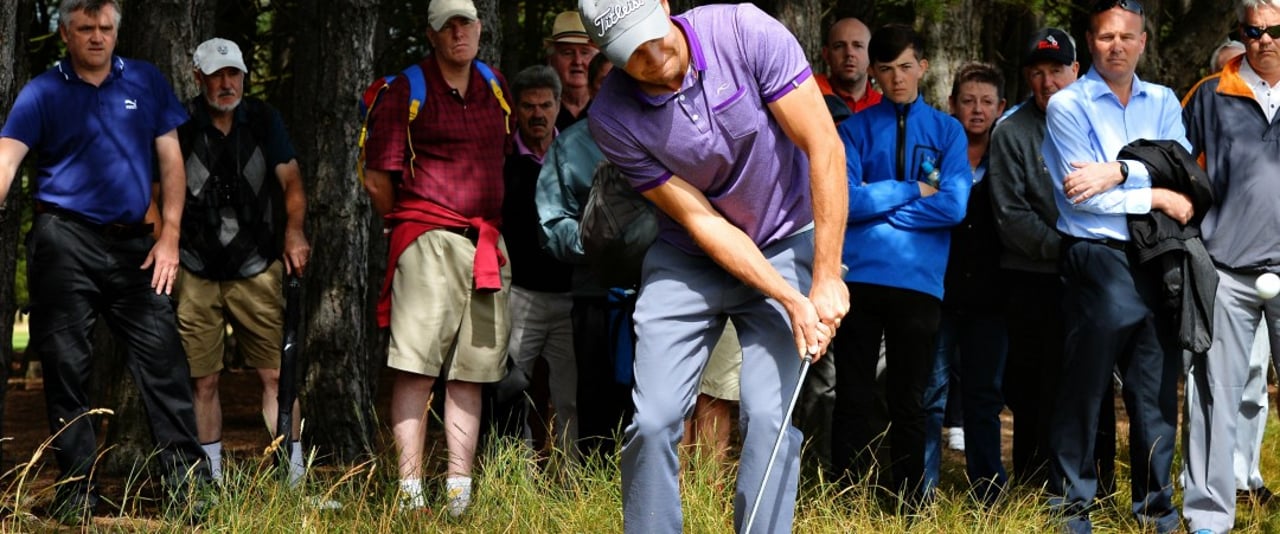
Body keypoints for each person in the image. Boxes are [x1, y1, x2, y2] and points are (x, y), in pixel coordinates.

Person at [578, 1, 849, 531]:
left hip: (785, 235)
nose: (654, 58)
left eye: (654, 35)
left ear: (663, 5)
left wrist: (824, 275)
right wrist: (791, 300)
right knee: (655, 420)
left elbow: (824, 146)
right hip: (690, 257)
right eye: (632, 53)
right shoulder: (611, 118)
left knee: (770, 416)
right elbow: (703, 223)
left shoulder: (743, 30)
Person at [0, 0, 210, 523]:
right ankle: (76, 495)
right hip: (64, 241)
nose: (97, 37)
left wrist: (170, 238)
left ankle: (193, 493)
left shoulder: (145, 80)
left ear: (117, 30)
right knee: (68, 370)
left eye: (105, 28)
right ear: (66, 34)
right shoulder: (42, 91)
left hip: (138, 249)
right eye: (84, 29)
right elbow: (6, 159)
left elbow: (173, 163)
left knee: (166, 363)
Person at [1043, 2, 1192, 532]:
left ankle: (1156, 511)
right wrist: (1154, 191)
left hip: (1156, 259)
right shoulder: (1068, 105)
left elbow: (1184, 171)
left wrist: (1120, 171)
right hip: (1096, 257)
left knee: (1154, 392)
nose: (1117, 46)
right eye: (1106, 36)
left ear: (1144, 42)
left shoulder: (1165, 100)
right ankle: (1070, 510)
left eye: (1128, 36)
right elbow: (1082, 197)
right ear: (1090, 40)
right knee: (1085, 389)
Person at [361, 0, 512, 517]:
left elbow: (503, 157)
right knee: (416, 369)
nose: (458, 32)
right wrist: (408, 223)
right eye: (448, 25)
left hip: (487, 243)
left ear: (479, 27)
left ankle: (457, 497)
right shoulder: (406, 89)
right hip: (428, 239)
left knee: (472, 372)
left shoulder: (495, 85)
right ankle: (408, 495)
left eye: (465, 22)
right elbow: (377, 177)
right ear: (431, 33)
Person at [833, 23, 970, 502]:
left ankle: (908, 503)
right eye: (886, 70)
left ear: (924, 69)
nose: (897, 79)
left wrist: (878, 210)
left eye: (906, 68)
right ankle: (845, 496)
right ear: (874, 74)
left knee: (909, 400)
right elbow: (844, 203)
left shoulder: (947, 130)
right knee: (852, 394)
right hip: (860, 280)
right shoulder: (852, 130)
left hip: (919, 284)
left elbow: (954, 207)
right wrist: (911, 188)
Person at [174, 37, 310, 487]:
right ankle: (208, 481)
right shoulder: (180, 124)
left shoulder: (263, 120)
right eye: (216, 75)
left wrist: (294, 231)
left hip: (257, 266)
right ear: (199, 78)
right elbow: (158, 192)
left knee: (276, 374)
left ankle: (292, 482)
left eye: (233, 73)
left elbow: (291, 181)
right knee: (203, 381)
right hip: (195, 270)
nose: (226, 83)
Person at [988, 28, 1118, 491]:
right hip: (1034, 279)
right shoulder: (1012, 132)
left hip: (1098, 276)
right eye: (1037, 74)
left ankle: (1098, 484)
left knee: (1096, 386)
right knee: (1034, 388)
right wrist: (1071, 247)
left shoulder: (1103, 120)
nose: (1047, 82)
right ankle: (1035, 485)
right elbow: (1011, 216)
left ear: (1076, 71)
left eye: (1057, 71)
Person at [1182, 1, 1280, 530]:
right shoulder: (1208, 94)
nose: (1264, 40)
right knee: (1214, 400)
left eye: (1275, 30)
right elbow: (1176, 172)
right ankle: (1207, 520)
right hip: (1226, 273)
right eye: (1253, 31)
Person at [920, 62, 1008, 502]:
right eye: (968, 100)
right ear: (952, 103)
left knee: (983, 396)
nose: (977, 110)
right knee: (930, 394)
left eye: (986, 102)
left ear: (1000, 108)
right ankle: (920, 489)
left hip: (991, 297)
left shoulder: (1006, 160)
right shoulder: (934, 155)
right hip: (937, 290)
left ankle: (988, 491)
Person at [500, 64, 577, 457]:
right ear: (516, 109)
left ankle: (570, 482)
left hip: (570, 295)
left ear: (559, 105)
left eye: (545, 105)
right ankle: (519, 483)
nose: (537, 114)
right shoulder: (502, 159)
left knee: (571, 398)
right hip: (520, 294)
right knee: (513, 391)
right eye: (528, 106)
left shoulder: (574, 155)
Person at [545, 11, 599, 130]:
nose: (578, 61)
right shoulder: (540, 109)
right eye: (567, 53)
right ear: (551, 60)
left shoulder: (609, 108)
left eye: (585, 53)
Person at [816, 17, 882, 114]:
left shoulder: (885, 106)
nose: (849, 53)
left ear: (871, 54)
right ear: (826, 55)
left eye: (858, 46)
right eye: (839, 46)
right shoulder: (812, 98)